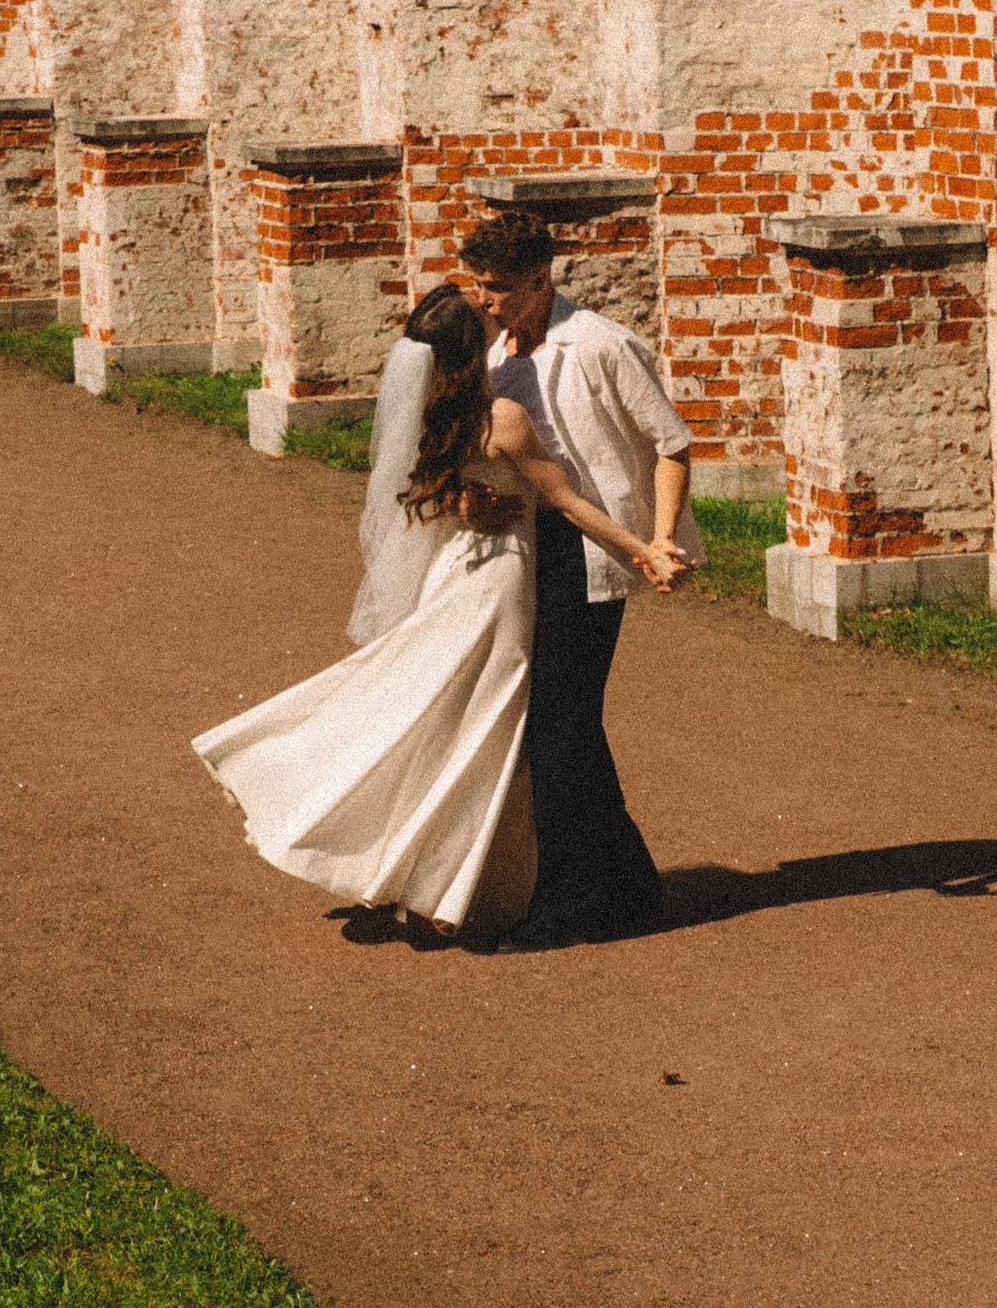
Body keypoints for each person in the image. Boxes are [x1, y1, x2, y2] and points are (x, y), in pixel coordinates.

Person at [192, 284, 678, 938]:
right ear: (473, 348)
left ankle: (420, 864)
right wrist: (643, 550)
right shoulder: (503, 417)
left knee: (436, 707)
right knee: (480, 724)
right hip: (502, 580)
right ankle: (445, 878)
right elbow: (567, 501)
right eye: (482, 314)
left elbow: (415, 484)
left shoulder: (430, 410)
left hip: (455, 570)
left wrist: (459, 499)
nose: (491, 308)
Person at [458, 205, 699, 939]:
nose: (484, 300)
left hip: (594, 550)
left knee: (560, 723)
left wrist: (659, 540)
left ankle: (578, 896)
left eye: (498, 287)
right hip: (519, 552)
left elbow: (672, 444)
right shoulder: (493, 353)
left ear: (542, 280)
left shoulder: (602, 344)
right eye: (477, 284)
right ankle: (625, 884)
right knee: (548, 721)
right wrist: (478, 500)